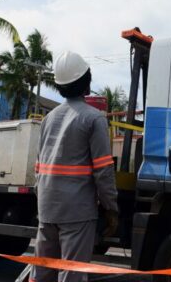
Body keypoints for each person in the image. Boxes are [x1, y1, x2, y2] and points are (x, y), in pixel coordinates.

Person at [31, 51, 119, 282]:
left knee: (42, 271)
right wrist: (111, 208)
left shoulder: (49, 118)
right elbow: (103, 171)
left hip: (47, 207)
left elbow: (39, 167)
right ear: (86, 82)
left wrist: (42, 202)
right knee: (72, 273)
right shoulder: (94, 118)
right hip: (77, 210)